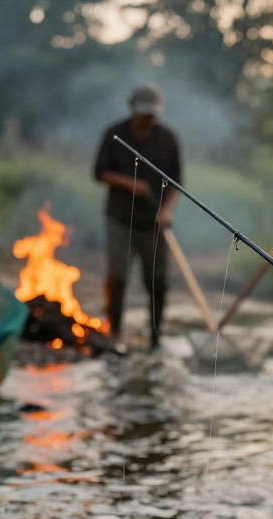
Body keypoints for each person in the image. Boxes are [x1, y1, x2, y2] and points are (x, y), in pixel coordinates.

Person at [93, 82, 182, 351]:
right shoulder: (114, 135)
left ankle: (155, 337)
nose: (146, 119)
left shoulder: (168, 138)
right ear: (132, 109)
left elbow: (176, 182)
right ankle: (115, 331)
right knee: (118, 276)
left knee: (157, 280)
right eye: (142, 114)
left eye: (151, 115)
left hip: (154, 223)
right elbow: (99, 172)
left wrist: (166, 211)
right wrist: (129, 183)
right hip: (120, 219)